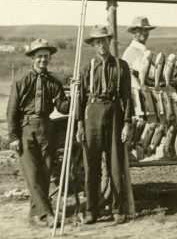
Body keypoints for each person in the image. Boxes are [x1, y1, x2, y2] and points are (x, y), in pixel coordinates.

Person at [7, 39, 70, 228]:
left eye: (46, 56)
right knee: (33, 175)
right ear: (32, 58)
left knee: (44, 174)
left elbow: (63, 107)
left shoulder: (54, 82)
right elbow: (11, 112)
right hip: (26, 130)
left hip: (46, 128)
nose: (43, 60)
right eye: (39, 56)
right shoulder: (21, 81)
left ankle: (35, 215)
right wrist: (13, 137)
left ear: (49, 58)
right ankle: (48, 214)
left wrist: (75, 94)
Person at [76, 25, 133, 224]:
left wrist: (127, 123)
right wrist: (80, 124)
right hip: (92, 114)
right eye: (97, 42)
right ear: (93, 45)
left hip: (114, 113)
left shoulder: (121, 65)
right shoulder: (88, 67)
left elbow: (127, 97)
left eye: (104, 41)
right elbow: (81, 99)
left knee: (115, 163)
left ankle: (118, 209)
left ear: (110, 41)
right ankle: (91, 210)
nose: (101, 45)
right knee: (91, 164)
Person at [122, 16, 156, 115]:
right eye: (140, 30)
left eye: (146, 30)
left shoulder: (143, 50)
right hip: (141, 98)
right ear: (133, 33)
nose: (144, 33)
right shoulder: (130, 52)